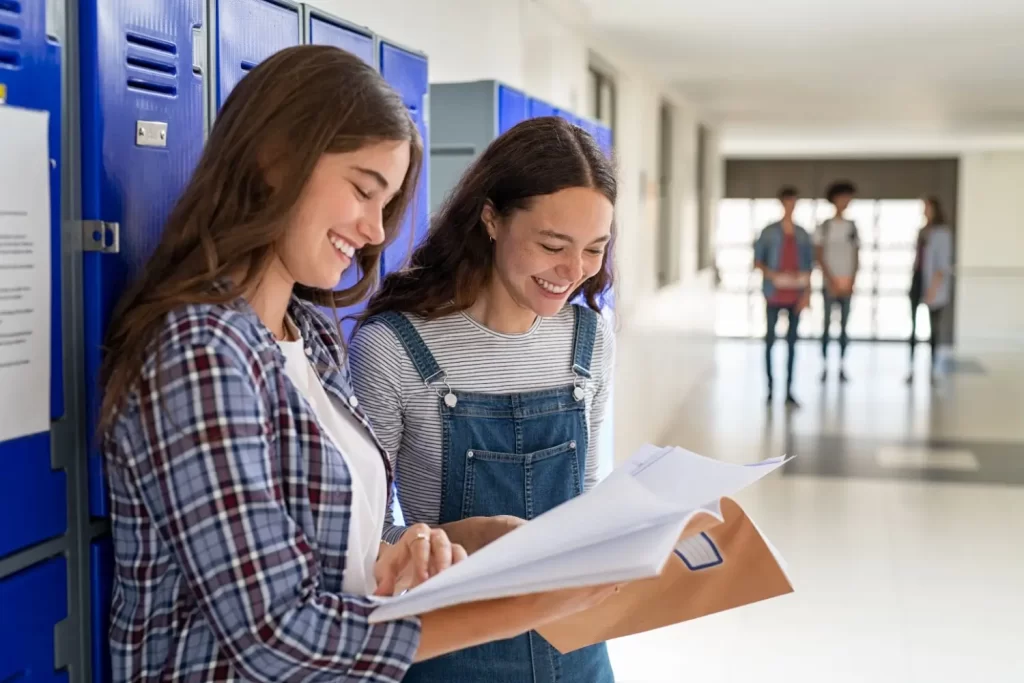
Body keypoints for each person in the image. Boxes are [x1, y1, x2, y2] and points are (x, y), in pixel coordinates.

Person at [97, 46, 618, 683]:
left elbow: (332, 549)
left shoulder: (308, 334)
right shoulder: (201, 355)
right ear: (274, 160)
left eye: (388, 202)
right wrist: (520, 607)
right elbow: (275, 635)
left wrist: (446, 542)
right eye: (363, 191)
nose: (375, 231)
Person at [348, 116, 617, 683]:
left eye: (595, 249)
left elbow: (588, 499)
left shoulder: (591, 339)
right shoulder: (395, 348)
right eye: (552, 245)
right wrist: (439, 547)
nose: (573, 272)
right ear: (491, 218)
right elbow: (361, 538)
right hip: (451, 650)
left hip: (578, 649)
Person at [754, 186, 814, 408]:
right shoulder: (769, 232)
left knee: (791, 345)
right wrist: (774, 275)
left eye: (794, 202)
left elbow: (809, 267)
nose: (791, 206)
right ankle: (770, 390)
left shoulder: (802, 234)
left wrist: (807, 293)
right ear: (782, 203)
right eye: (788, 202)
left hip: (795, 295)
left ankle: (789, 391)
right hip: (774, 294)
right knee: (769, 342)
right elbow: (757, 260)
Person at [814, 180, 860, 382]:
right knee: (826, 326)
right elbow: (819, 255)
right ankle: (824, 366)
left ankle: (841, 365)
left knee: (844, 327)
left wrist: (852, 281)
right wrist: (830, 280)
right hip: (829, 284)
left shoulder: (852, 227)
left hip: (847, 282)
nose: (846, 202)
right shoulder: (824, 227)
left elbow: (856, 255)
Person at [907, 195, 953, 384]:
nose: (924, 210)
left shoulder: (943, 234)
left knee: (934, 329)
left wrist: (933, 289)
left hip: (934, 284)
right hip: (917, 280)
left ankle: (932, 369)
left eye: (927, 207)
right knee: (913, 327)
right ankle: (910, 368)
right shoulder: (922, 232)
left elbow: (942, 265)